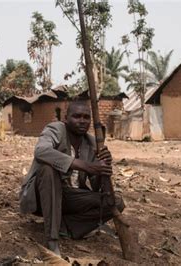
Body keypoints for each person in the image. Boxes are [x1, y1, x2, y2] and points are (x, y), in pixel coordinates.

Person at [19, 101, 125, 255]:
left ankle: (66, 227)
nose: (82, 121)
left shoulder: (92, 143)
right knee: (48, 169)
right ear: (66, 118)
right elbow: (41, 151)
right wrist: (85, 165)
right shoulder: (56, 129)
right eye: (76, 116)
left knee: (114, 202)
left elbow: (96, 186)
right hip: (43, 196)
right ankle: (52, 240)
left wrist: (103, 166)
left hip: (70, 197)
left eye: (86, 117)